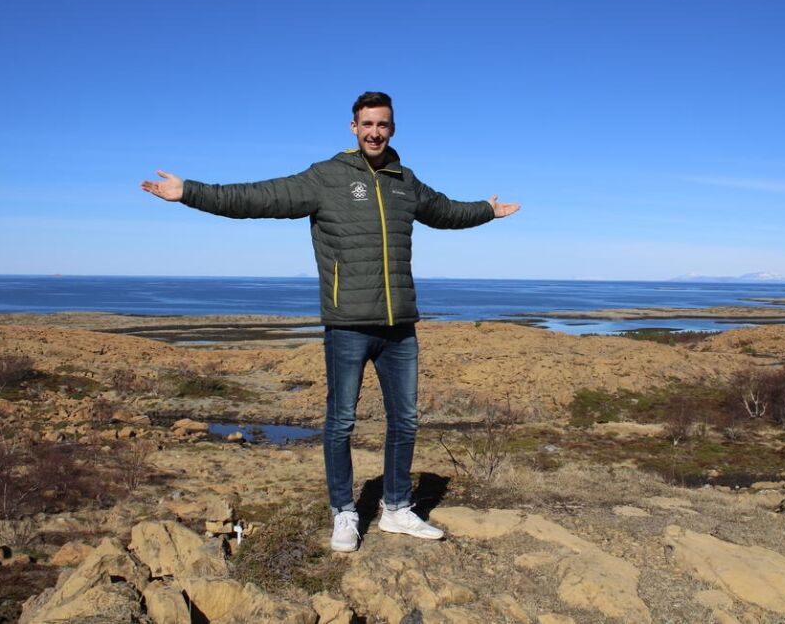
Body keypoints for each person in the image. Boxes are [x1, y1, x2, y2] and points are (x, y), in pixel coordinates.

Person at [141, 91, 520, 552]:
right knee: (340, 422)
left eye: (382, 124)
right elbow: (259, 197)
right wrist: (190, 193)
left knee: (405, 420)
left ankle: (397, 508)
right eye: (366, 124)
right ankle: (344, 512)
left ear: (392, 129)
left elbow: (444, 211)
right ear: (353, 127)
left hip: (399, 326)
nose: (374, 132)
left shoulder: (405, 181)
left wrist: (485, 211)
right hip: (347, 325)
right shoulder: (327, 177)